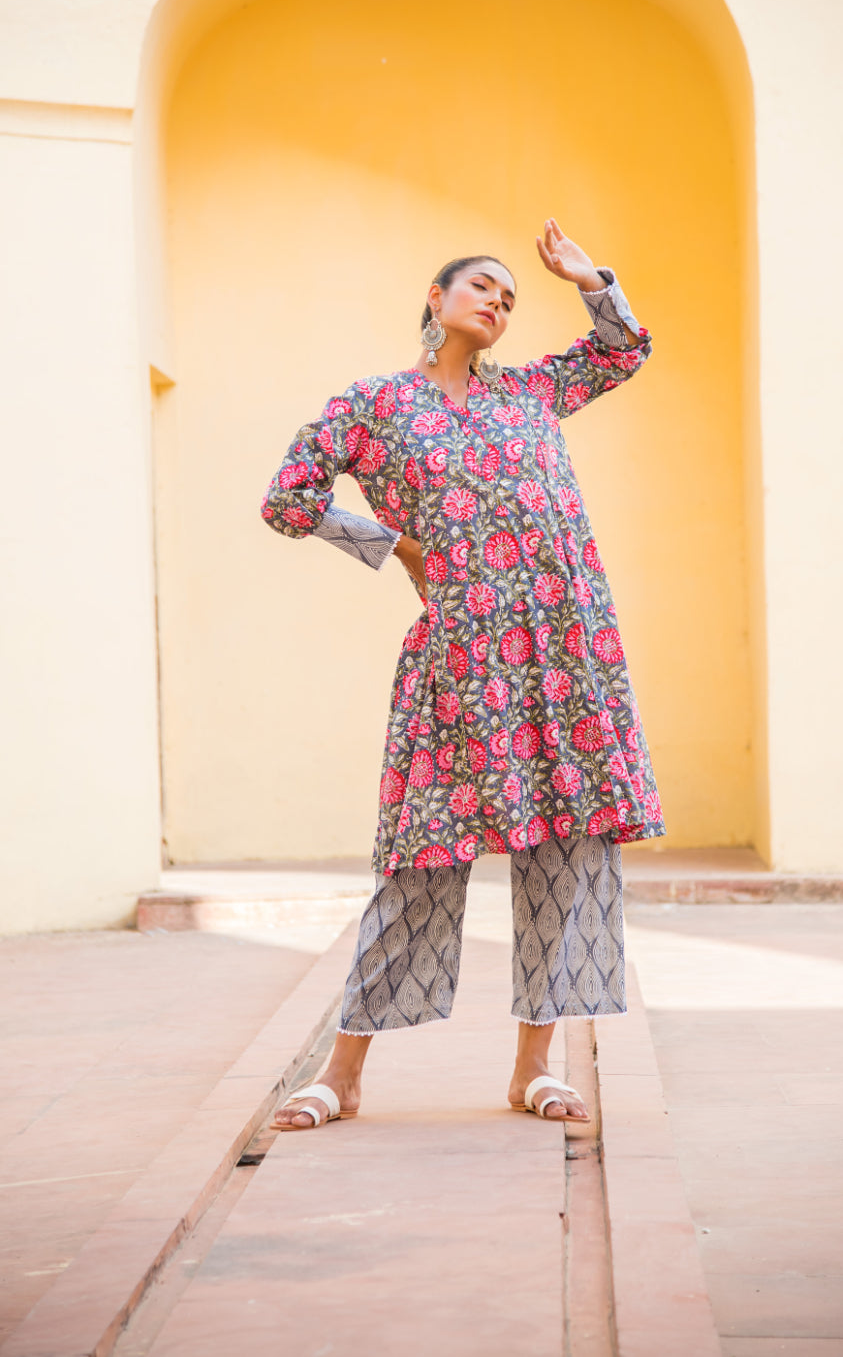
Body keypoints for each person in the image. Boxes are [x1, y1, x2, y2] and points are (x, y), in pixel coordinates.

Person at [260, 219, 664, 1129]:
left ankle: (534, 1069)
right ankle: (343, 1074)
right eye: (483, 285)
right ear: (436, 298)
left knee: (569, 848)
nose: (499, 303)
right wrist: (390, 543)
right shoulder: (373, 405)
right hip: (462, 657)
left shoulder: (528, 391)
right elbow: (288, 499)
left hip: (566, 653)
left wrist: (588, 279)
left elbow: (623, 350)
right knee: (420, 857)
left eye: (511, 298)